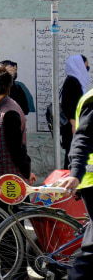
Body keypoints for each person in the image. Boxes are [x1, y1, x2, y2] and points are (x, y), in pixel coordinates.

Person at [57, 86, 93, 279]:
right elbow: (82, 138)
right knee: (92, 251)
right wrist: (76, 173)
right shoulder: (92, 100)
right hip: (91, 181)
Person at [0, 65, 35, 187]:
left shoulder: (9, 112)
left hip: (10, 181)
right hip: (2, 178)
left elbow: (17, 150)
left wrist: (26, 173)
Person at [61, 55, 89, 168]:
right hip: (73, 126)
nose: (86, 71)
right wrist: (74, 125)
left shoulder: (74, 81)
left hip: (75, 125)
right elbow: (68, 105)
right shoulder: (72, 82)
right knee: (72, 153)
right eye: (85, 68)